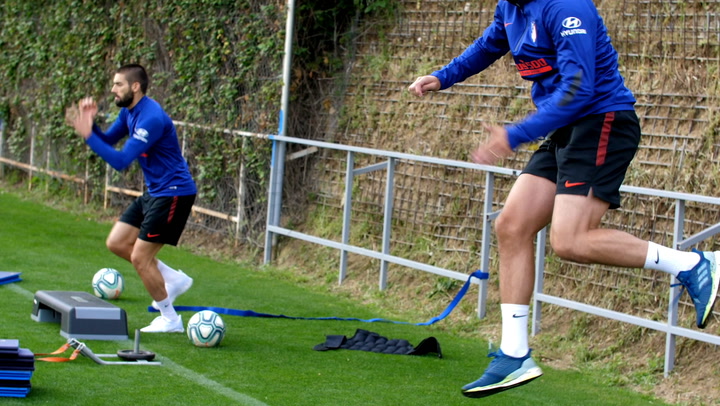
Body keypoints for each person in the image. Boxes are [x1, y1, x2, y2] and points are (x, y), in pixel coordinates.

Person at [408, 0, 719, 398]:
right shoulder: (510, 8)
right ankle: (514, 353)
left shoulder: (567, 8)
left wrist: (515, 135)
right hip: (565, 127)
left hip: (601, 120)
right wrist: (441, 76)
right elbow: (488, 45)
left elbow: (578, 88)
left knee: (570, 241)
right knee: (511, 226)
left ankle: (693, 264)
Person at [65, 64, 196, 333]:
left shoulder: (151, 118)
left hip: (174, 193)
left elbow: (122, 160)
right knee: (116, 242)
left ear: (135, 87)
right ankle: (174, 279)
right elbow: (110, 138)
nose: (113, 89)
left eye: (119, 84)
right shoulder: (129, 111)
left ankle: (170, 319)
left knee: (140, 258)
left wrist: (88, 135)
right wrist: (91, 125)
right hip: (155, 191)